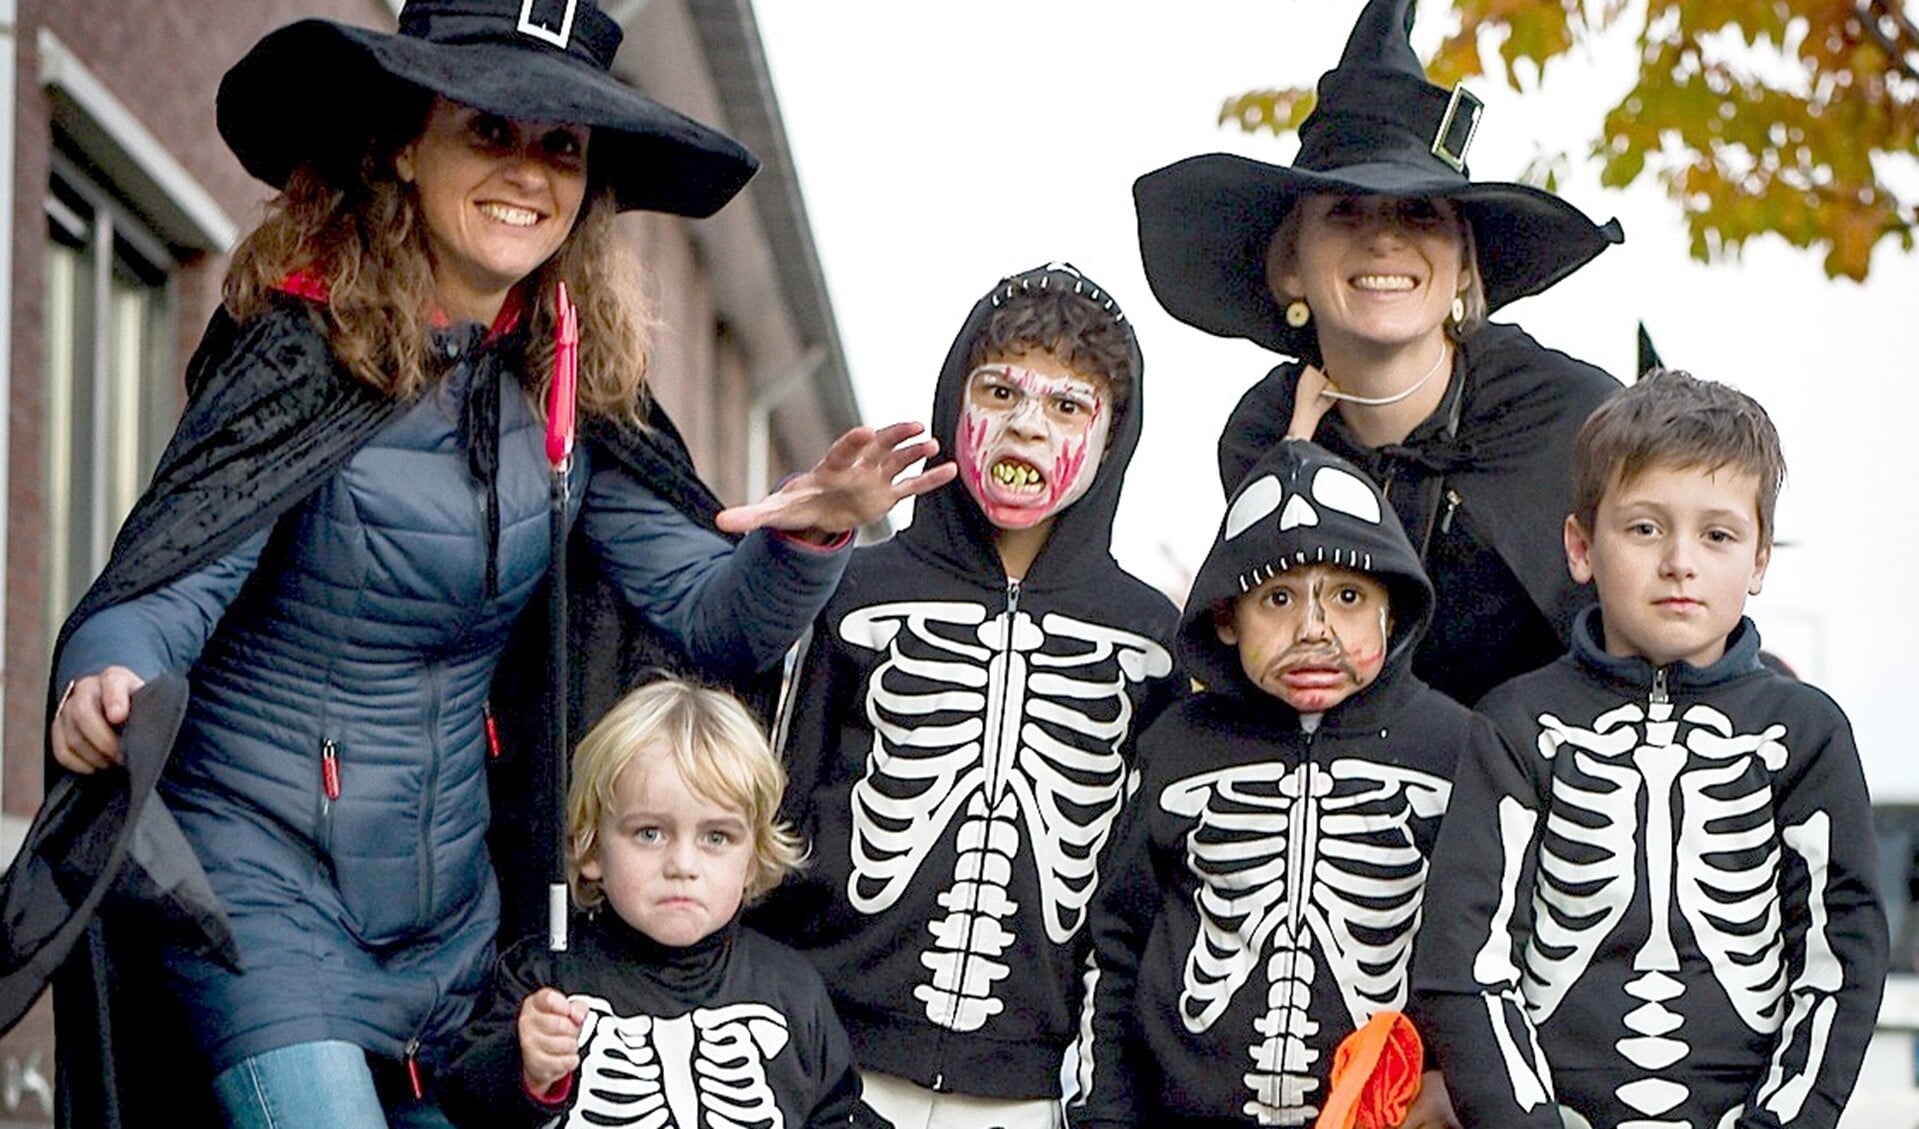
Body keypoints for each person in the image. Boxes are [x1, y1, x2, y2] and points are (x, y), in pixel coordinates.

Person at [43, 3, 951, 1126]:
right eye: (489, 132)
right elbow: (171, 571)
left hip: (448, 912)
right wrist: (109, 669)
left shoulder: (570, 385)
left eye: (560, 147)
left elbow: (712, 618)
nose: (528, 172)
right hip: (258, 885)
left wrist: (813, 530)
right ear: (405, 146)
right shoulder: (297, 350)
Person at [751, 263, 1182, 1129]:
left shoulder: (1149, 638)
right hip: (827, 1064)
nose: (1027, 425)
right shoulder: (851, 590)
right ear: (956, 404)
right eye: (1000, 391)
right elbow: (771, 806)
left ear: (1112, 438)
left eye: (1068, 405)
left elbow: (1138, 887)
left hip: (1029, 1090)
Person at [1410, 370, 1888, 1127]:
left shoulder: (1805, 733)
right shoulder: (1515, 723)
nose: (1679, 562)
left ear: (1758, 560)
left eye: (1717, 534)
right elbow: (1465, 954)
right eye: (1643, 528)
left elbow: (1842, 959)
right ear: (1579, 545)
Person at [1134, 0, 1625, 705]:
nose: (1385, 240)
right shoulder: (1263, 435)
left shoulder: (1576, 424)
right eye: (1345, 212)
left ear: (1463, 266)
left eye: (1419, 211)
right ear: (1291, 267)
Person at [1070, 439, 1475, 1128]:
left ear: (1394, 606)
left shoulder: (1455, 748)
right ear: (1226, 616)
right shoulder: (1177, 746)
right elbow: (1116, 947)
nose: (1312, 630)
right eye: (1277, 597)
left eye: (1348, 596)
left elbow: (1483, 954)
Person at [437, 679, 885, 1128]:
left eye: (717, 837)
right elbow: (464, 1100)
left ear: (753, 859)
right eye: (649, 833)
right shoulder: (544, 978)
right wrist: (525, 1065)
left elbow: (839, 1113)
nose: (682, 865)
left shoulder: (791, 987)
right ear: (590, 849)